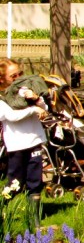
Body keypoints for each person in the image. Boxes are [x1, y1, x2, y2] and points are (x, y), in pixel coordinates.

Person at [0, 59, 48, 228]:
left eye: (20, 74)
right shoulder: (2, 98)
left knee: (35, 180)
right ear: (2, 79)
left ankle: (34, 219)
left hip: (34, 141)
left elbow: (45, 107)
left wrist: (36, 99)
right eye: (13, 76)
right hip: (17, 144)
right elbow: (11, 116)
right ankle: (4, 212)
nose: (18, 78)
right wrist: (33, 110)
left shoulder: (26, 90)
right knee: (15, 182)